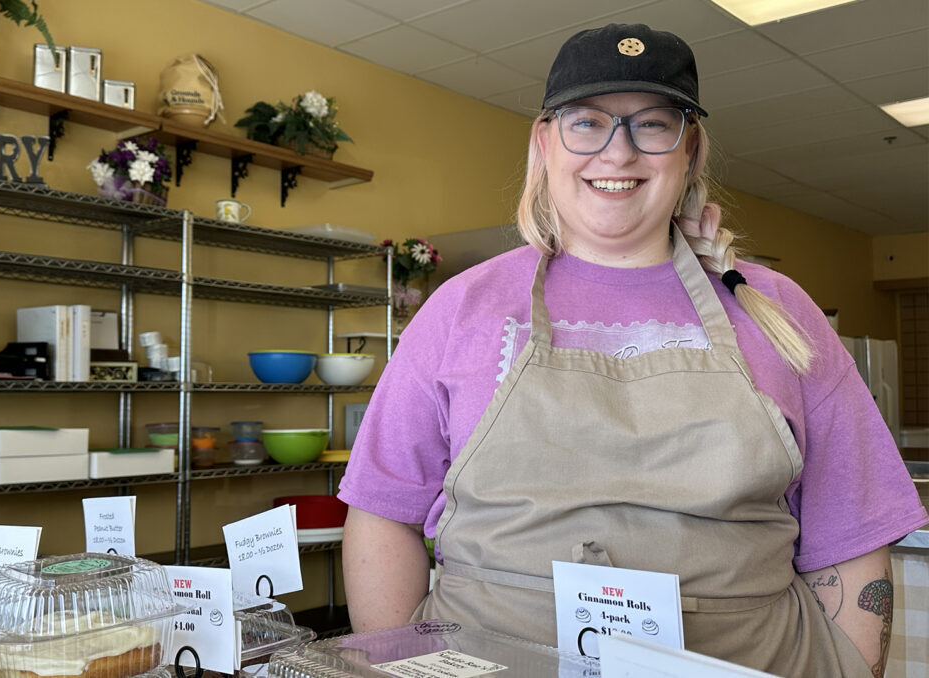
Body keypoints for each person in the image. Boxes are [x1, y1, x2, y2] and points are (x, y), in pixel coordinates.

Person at [338, 23, 926, 678]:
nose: (617, 153)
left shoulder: (782, 311)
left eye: (652, 125)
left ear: (689, 149)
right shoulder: (461, 308)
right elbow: (384, 513)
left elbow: (851, 533)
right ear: (545, 142)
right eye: (587, 123)